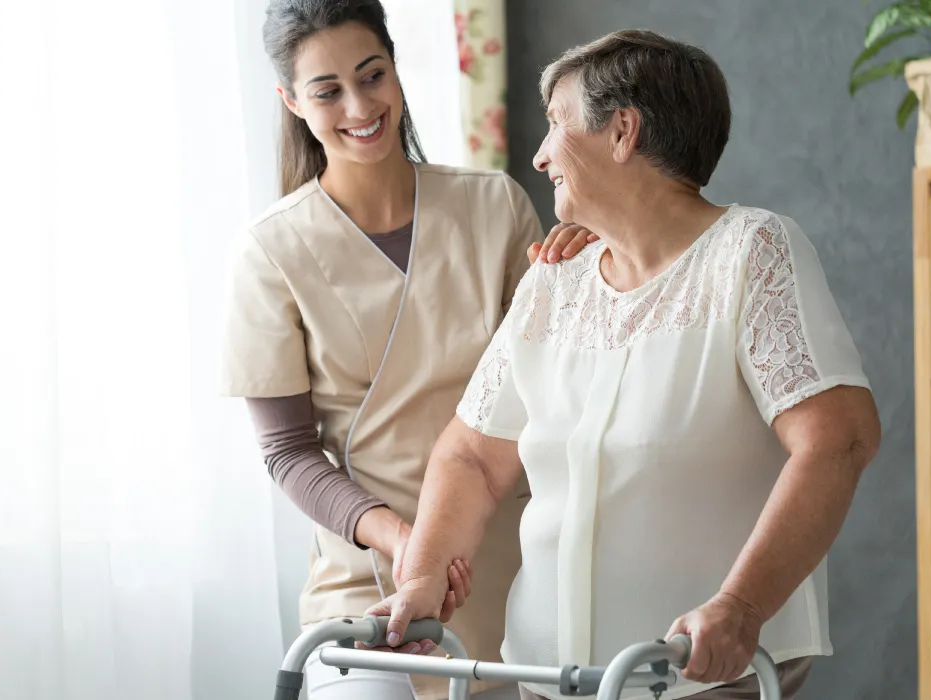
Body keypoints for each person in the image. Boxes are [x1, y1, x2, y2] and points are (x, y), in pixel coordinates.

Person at [365, 29, 883, 700]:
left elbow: (839, 438)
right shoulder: (555, 281)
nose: (540, 154)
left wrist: (742, 608)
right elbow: (471, 454)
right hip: (550, 675)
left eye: (557, 125)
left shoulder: (751, 253)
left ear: (622, 132)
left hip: (704, 674)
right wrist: (424, 574)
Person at [217, 1, 597, 698]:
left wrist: (588, 272)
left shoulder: (495, 207)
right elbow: (289, 453)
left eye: (373, 75)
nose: (360, 105)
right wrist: (403, 539)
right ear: (291, 102)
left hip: (506, 579)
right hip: (364, 591)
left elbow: (560, 384)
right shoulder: (269, 253)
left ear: (395, 70)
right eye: (328, 90)